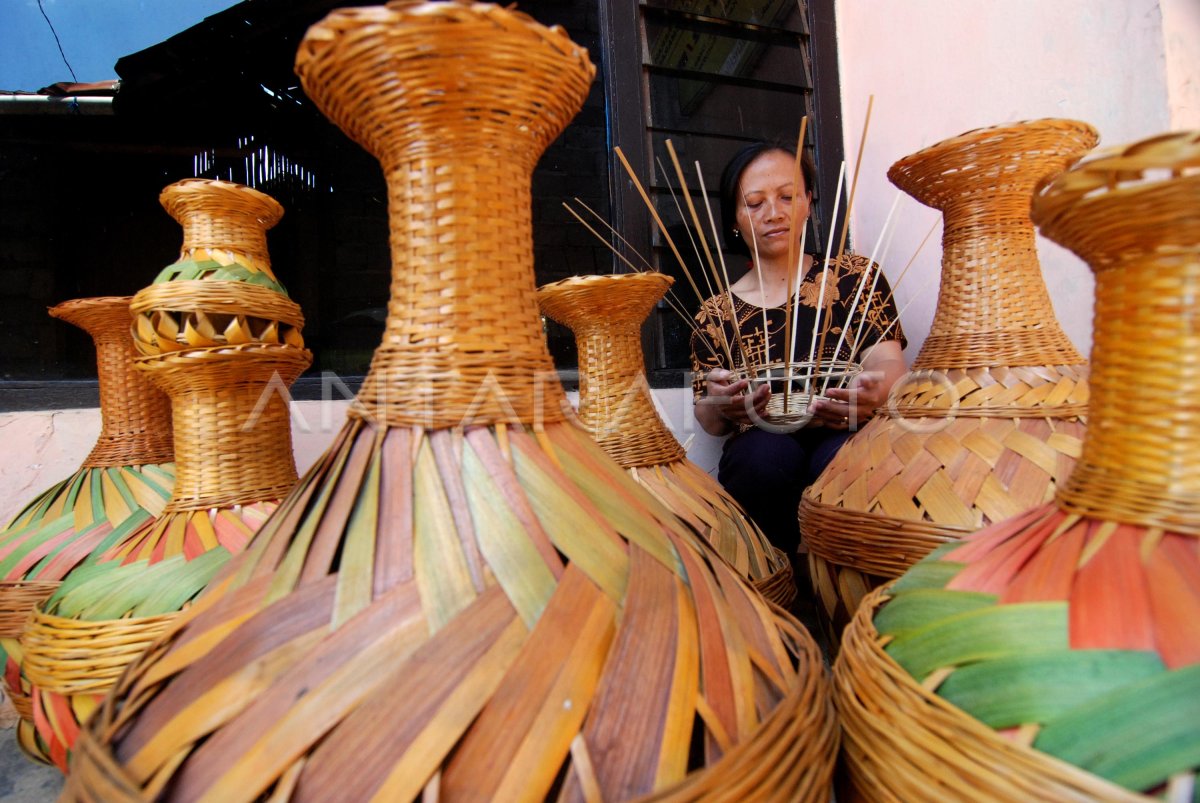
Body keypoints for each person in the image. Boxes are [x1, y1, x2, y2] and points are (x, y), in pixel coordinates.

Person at [690, 140, 907, 557]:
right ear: (734, 220)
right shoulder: (716, 314)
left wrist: (874, 393)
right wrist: (721, 404)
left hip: (845, 428)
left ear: (808, 201)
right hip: (761, 444)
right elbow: (710, 418)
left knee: (845, 458)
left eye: (788, 196)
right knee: (761, 459)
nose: (774, 213)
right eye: (754, 203)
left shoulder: (854, 277)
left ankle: (846, 588)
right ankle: (781, 585)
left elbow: (886, 361)